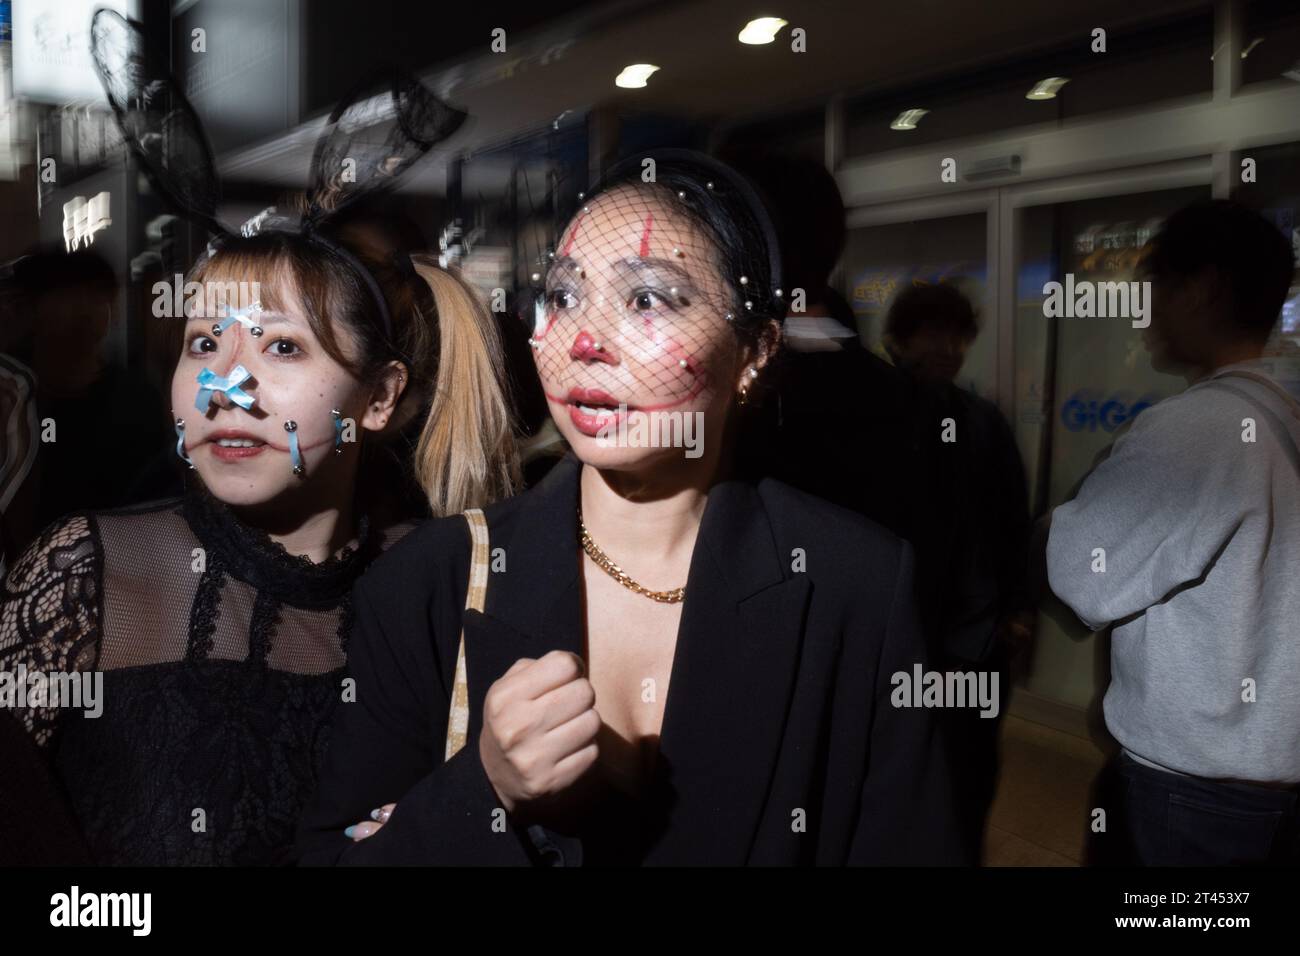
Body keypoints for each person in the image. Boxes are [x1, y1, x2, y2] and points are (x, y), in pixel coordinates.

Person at [297, 150, 966, 866]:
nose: (584, 342)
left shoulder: (854, 584)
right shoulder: (432, 577)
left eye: (648, 298)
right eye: (562, 296)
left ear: (755, 352)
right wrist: (483, 789)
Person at [0, 25, 518, 864]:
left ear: (381, 397)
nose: (224, 387)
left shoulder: (441, 582)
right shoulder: (87, 575)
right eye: (205, 344)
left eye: (281, 348)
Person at [1046, 199, 1300, 865]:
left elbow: (1081, 577)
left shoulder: (1196, 427)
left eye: (1153, 287)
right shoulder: (1286, 415)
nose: (1143, 313)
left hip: (1192, 799)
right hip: (1275, 784)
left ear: (1203, 287)